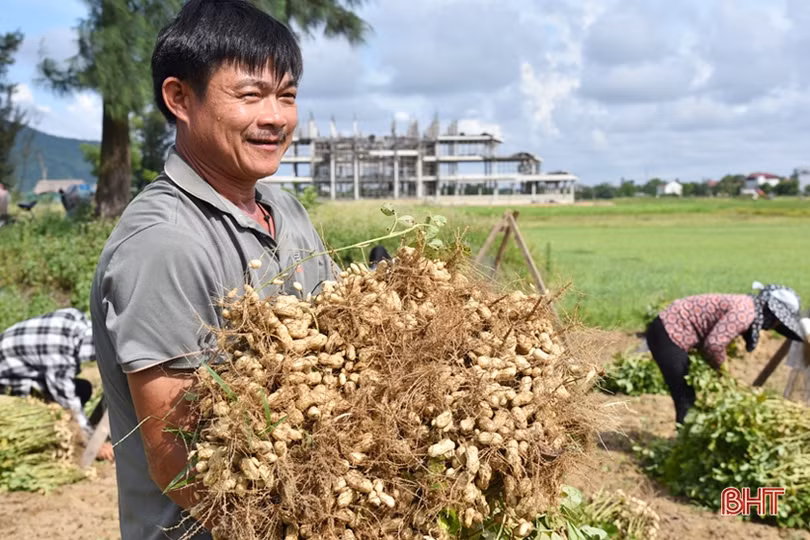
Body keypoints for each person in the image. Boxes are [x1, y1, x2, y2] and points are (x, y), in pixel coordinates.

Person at [89, 1, 335, 539]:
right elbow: (179, 461)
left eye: (287, 96)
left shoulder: (285, 210)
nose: (275, 118)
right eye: (250, 95)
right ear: (179, 98)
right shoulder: (163, 244)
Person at [646, 282, 806, 425]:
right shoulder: (745, 313)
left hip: (669, 331)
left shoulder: (747, 306)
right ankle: (682, 442)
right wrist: (725, 374)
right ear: (772, 314)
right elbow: (714, 345)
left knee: (686, 394)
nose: (773, 327)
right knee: (684, 397)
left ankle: (684, 435)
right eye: (777, 323)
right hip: (668, 332)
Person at [0, 308, 113, 460]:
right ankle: (45, 437)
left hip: (26, 368)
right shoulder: (58, 352)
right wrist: (93, 443)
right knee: (68, 399)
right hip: (9, 377)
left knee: (83, 388)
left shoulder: (75, 319)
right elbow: (68, 399)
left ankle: (65, 425)